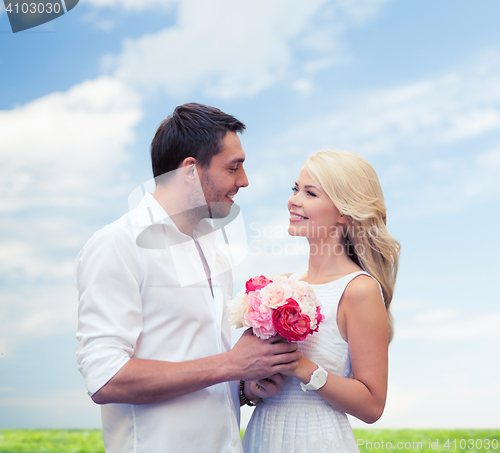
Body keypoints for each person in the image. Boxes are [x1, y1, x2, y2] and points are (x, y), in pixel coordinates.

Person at [74, 103, 302, 453]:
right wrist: (230, 365)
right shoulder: (118, 244)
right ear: (191, 171)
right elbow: (106, 379)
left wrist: (244, 386)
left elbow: (206, 368)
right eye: (233, 167)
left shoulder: (214, 250)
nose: (244, 181)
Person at [242, 150, 401, 453]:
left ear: (343, 213)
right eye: (295, 189)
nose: (293, 200)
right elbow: (256, 378)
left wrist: (303, 368)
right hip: (263, 434)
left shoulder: (359, 290)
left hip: (316, 439)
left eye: (310, 193)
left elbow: (372, 405)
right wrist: (256, 385)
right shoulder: (281, 285)